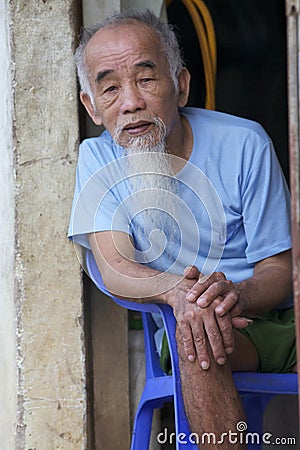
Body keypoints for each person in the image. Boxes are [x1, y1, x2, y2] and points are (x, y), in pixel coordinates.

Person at [68, 9, 295, 449]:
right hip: (199, 328)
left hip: (278, 317)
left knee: (203, 318)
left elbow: (281, 269)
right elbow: (115, 265)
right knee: (198, 332)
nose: (130, 101)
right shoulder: (97, 160)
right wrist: (182, 294)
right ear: (91, 106)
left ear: (182, 85)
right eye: (110, 87)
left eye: (146, 79)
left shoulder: (246, 143)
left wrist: (234, 293)